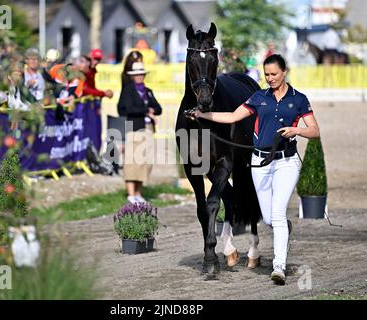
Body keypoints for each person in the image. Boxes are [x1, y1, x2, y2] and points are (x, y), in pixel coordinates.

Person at [191, 54, 320, 285]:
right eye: (267, 74)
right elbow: (231, 116)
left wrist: (296, 131)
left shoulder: (299, 99)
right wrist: (202, 114)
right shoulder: (259, 97)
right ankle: (283, 231)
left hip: (287, 162)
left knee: (278, 214)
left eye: (274, 74)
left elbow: (314, 130)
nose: (270, 78)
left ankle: (278, 267)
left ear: (284, 72)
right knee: (269, 217)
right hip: (260, 164)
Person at [117, 62, 162, 203]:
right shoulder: (128, 91)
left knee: (145, 161)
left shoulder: (148, 91)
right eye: (137, 74)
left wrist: (151, 110)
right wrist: (147, 110)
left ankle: (138, 193)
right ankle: (131, 194)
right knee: (132, 161)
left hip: (148, 129)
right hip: (134, 128)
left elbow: (159, 108)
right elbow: (127, 109)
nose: (140, 76)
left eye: (142, 74)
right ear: (132, 76)